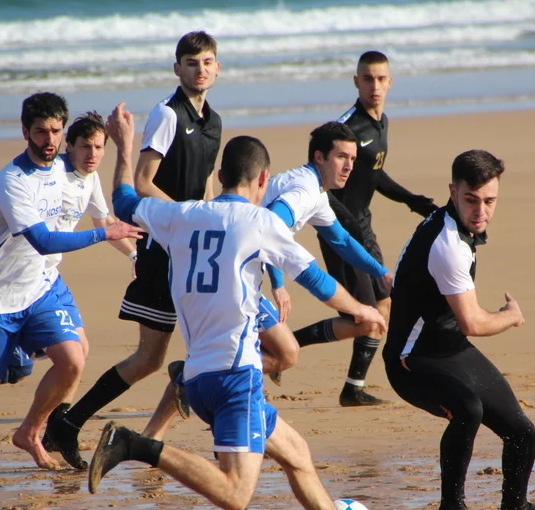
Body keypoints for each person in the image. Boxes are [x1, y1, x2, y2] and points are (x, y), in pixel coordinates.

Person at [88, 103, 393, 510]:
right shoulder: (261, 222)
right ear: (263, 179)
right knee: (235, 494)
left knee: (297, 455)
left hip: (201, 373)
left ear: (220, 175)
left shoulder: (182, 215)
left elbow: (125, 202)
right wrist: (362, 309)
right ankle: (132, 444)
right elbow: (317, 280)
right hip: (235, 375)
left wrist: (125, 150)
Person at [0, 94, 142, 489]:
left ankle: (32, 431)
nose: (50, 139)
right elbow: (43, 241)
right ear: (25, 131)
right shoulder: (12, 180)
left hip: (41, 287)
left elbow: (91, 184)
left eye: (56, 131)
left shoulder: (67, 168)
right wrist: (104, 234)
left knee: (74, 359)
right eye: (41, 131)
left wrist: (132, 251)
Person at [139, 121, 395, 442]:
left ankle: (160, 423)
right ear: (319, 157)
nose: (349, 166)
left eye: (353, 159)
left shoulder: (315, 192)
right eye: (342, 157)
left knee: (280, 354)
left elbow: (341, 240)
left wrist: (380, 271)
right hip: (236, 274)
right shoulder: (304, 191)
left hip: (234, 266)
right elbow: (271, 225)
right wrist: (279, 283)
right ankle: (197, 385)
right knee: (280, 354)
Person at [43, 31, 223, 456]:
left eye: (207, 62)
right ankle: (68, 423)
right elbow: (143, 181)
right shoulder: (167, 114)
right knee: (150, 358)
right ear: (177, 68)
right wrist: (187, 218)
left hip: (194, 250)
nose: (200, 70)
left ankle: (157, 432)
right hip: (163, 250)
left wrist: (212, 222)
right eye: (191, 63)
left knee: (205, 346)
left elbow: (205, 184)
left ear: (217, 68)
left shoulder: (214, 122)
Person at [382, 149, 535, 510]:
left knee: (521, 432)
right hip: (411, 360)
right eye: (471, 200)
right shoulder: (448, 244)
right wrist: (510, 316)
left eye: (489, 201)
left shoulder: (458, 226)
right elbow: (472, 322)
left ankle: (516, 507)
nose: (481, 211)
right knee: (468, 408)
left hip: (448, 347)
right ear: (453, 192)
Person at [293, 50, 437, 408]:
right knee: (363, 319)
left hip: (363, 230)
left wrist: (410, 199)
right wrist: (348, 227)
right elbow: (319, 181)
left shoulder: (380, 123)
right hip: (341, 236)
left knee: (384, 306)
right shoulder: (348, 129)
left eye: (381, 79)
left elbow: (374, 172)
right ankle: (286, 343)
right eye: (368, 79)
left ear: (390, 82)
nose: (375, 86)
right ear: (356, 82)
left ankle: (353, 388)